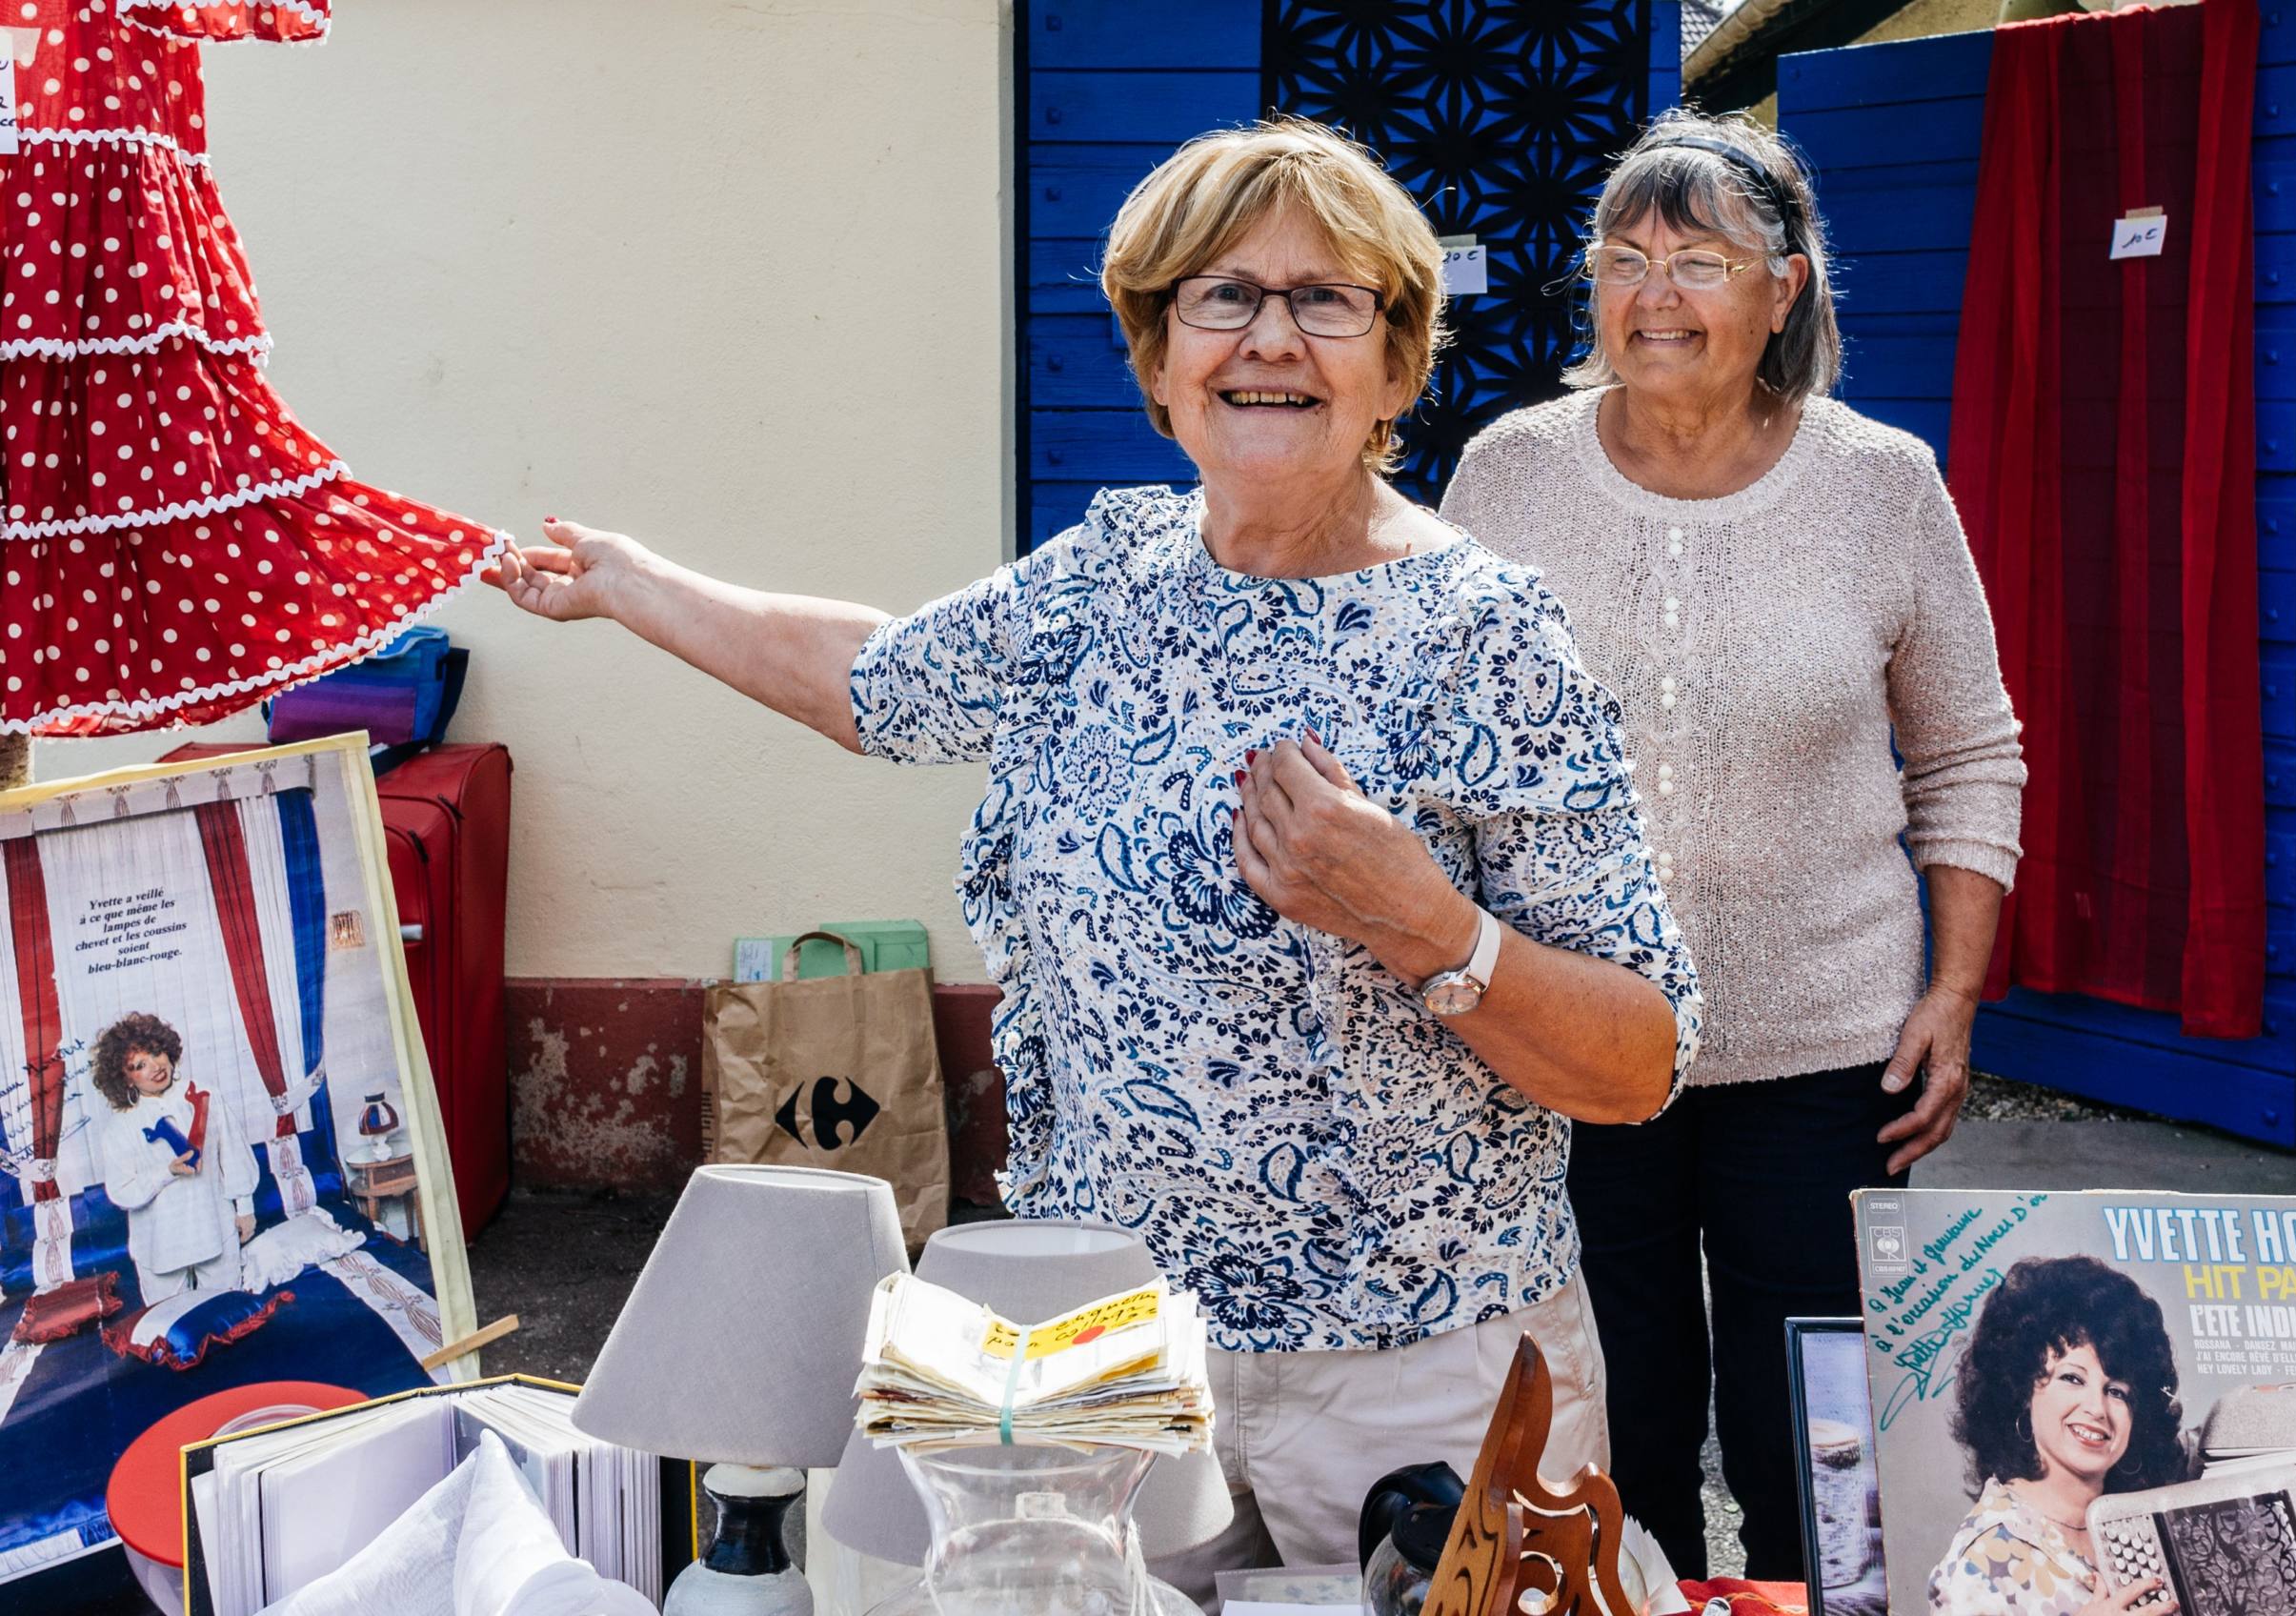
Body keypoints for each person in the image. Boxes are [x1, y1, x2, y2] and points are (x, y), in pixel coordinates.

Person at [491, 118, 1702, 1603]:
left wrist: (1427, 923)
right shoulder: (1105, 579)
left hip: (1419, 1374)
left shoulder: (1489, 637)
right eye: (1223, 295)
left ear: (1396, 365)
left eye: (1328, 300)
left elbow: (1639, 1060)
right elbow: (874, 681)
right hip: (1100, 1335)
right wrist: (633, 586)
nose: (1272, 338)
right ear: (1158, 356)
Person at [1439, 107, 2028, 1581]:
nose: (1653, 293)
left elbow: (1968, 752)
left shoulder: (1881, 483)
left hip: (1828, 1049)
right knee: (1601, 1421)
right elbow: (1431, 755)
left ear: (1787, 286)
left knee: (1813, 1436)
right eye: (1625, 256)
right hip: (1567, 1034)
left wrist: (1952, 997)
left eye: (1699, 259)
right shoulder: (1508, 474)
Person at [1933, 1255, 2296, 1615]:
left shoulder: (2157, 1477)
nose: (2096, 1409)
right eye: (2072, 1379)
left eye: (2117, 1390)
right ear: (2020, 1388)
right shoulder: (1976, 1569)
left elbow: (2226, 1427)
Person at [93, 1012, 260, 1306]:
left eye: (157, 1053)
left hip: (215, 1231)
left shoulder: (207, 1095)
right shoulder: (119, 1127)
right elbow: (122, 1192)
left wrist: (245, 1209)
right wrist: (167, 1171)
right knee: (172, 1331)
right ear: (125, 1077)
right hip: (160, 1248)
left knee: (229, 1318)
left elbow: (233, 1153)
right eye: (140, 1065)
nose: (156, 1066)